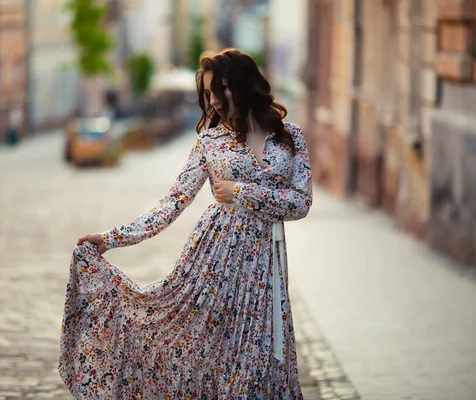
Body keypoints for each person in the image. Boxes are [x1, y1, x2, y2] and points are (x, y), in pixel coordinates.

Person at [59, 48, 313, 399]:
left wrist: (240, 191)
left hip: (266, 269)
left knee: (265, 363)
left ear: (239, 86)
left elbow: (301, 203)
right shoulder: (210, 142)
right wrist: (111, 238)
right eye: (207, 93)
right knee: (211, 357)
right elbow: (172, 204)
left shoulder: (290, 137)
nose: (212, 102)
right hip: (213, 265)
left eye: (216, 92)